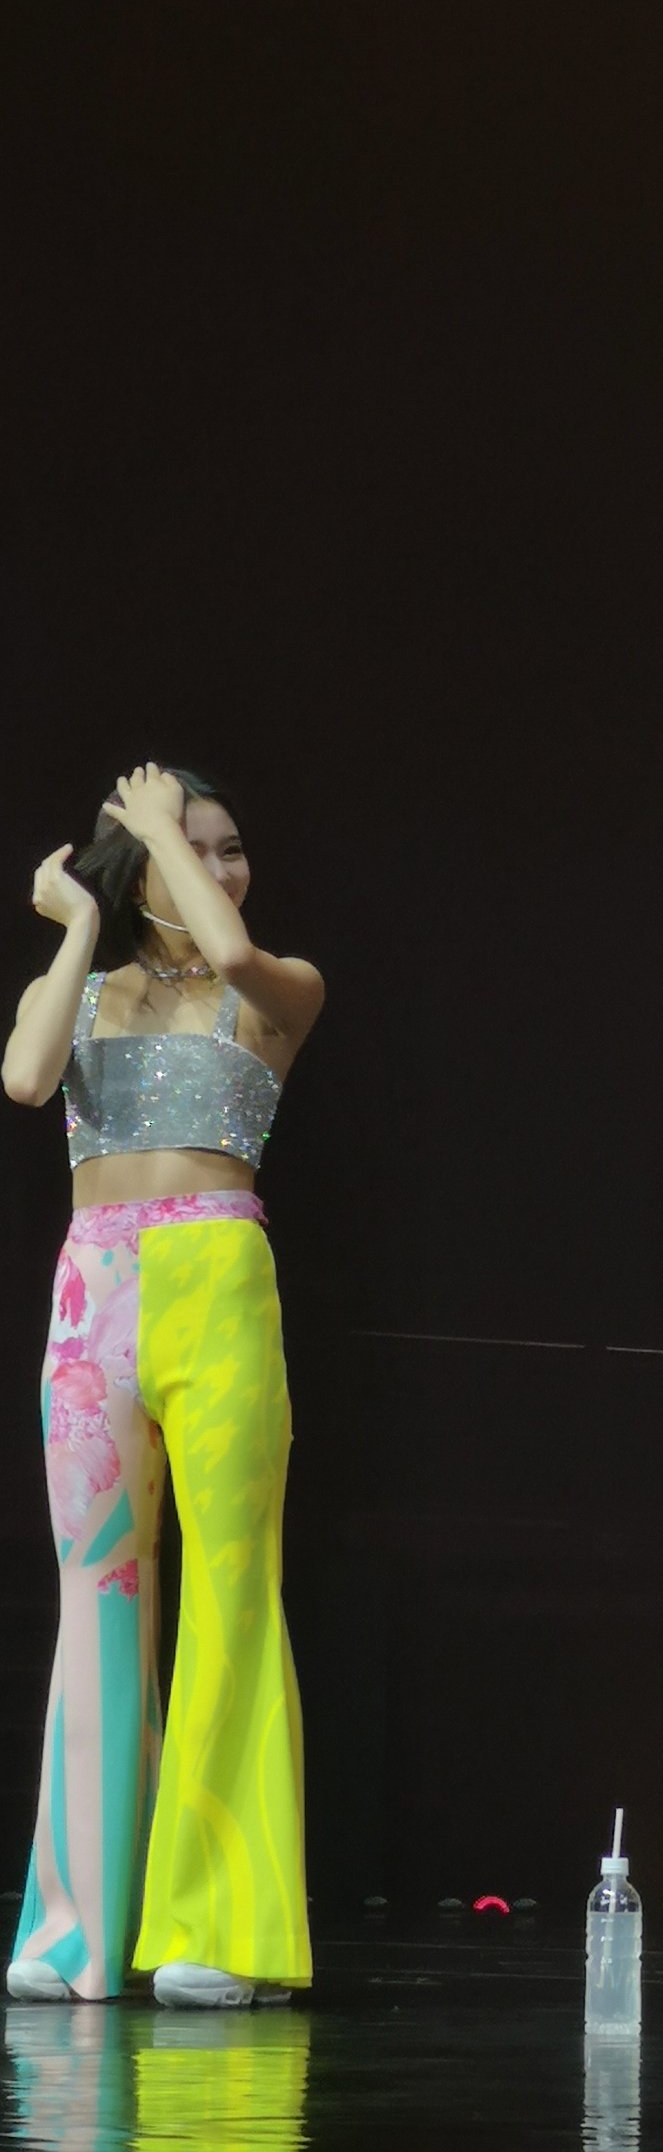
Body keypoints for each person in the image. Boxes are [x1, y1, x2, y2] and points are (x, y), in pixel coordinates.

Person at [4, 763, 324, 2008]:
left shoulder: (275, 985)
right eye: (196, 846)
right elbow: (27, 1078)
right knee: (97, 1592)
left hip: (218, 1278)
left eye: (233, 845)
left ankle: (222, 1926)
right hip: (93, 1291)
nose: (223, 866)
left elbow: (231, 945)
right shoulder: (86, 989)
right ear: (135, 871)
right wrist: (82, 922)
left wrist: (154, 826)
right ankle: (74, 1930)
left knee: (231, 1587)